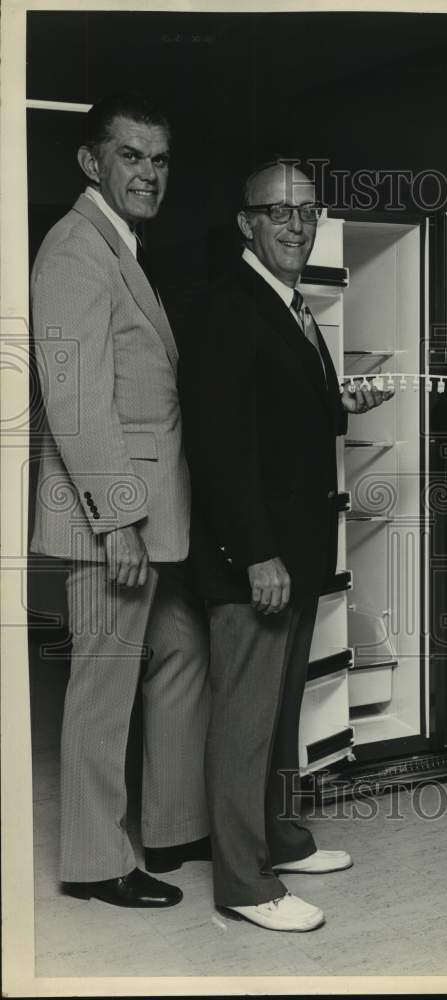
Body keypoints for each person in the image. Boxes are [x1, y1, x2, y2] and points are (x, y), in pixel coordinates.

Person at [179, 160, 393, 932]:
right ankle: (242, 881)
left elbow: (281, 419)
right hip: (256, 558)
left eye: (306, 212)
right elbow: (219, 446)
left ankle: (274, 833)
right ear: (247, 222)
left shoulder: (288, 305)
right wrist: (255, 552)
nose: (296, 226)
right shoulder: (227, 307)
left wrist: (341, 405)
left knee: (277, 712)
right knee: (244, 717)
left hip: (296, 548)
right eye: (278, 212)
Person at [29, 94, 210, 908]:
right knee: (103, 687)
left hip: (147, 515)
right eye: (131, 155)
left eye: (159, 158)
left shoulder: (121, 248)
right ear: (90, 162)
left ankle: (172, 827)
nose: (149, 172)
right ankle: (97, 864)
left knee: (180, 652)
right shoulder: (75, 249)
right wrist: (119, 520)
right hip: (114, 519)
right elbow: (75, 403)